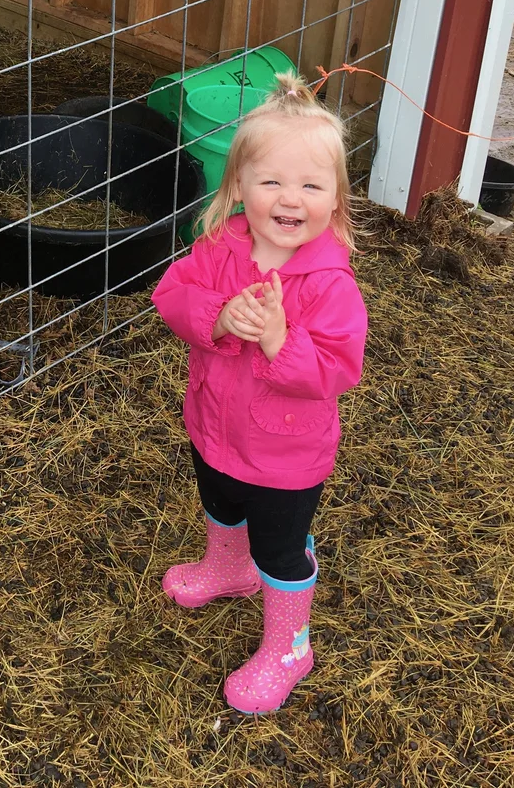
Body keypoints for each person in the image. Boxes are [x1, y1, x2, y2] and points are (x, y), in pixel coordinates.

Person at [151, 72, 367, 714]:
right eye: (270, 181)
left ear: (335, 199)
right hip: (215, 426)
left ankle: (289, 645)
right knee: (219, 500)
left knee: (281, 547)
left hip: (286, 457)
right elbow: (173, 295)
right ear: (239, 185)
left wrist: (279, 339)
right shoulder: (220, 245)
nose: (288, 197)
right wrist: (217, 317)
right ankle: (226, 567)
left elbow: (337, 369)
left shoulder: (330, 286)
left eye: (310, 185)